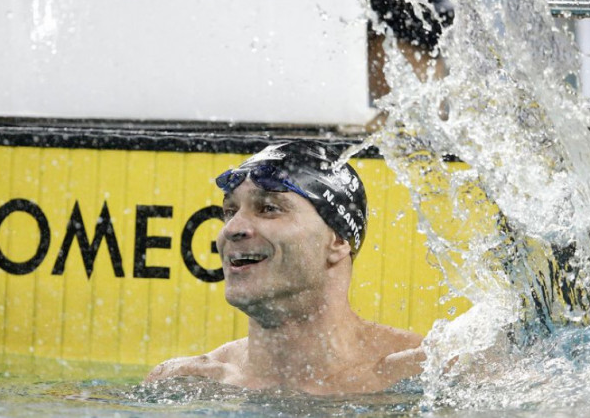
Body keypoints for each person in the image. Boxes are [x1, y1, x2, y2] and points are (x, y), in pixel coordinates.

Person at [146, 141, 425, 394]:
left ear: (338, 240)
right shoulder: (185, 383)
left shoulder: (422, 372)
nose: (231, 229)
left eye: (268, 208)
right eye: (230, 211)